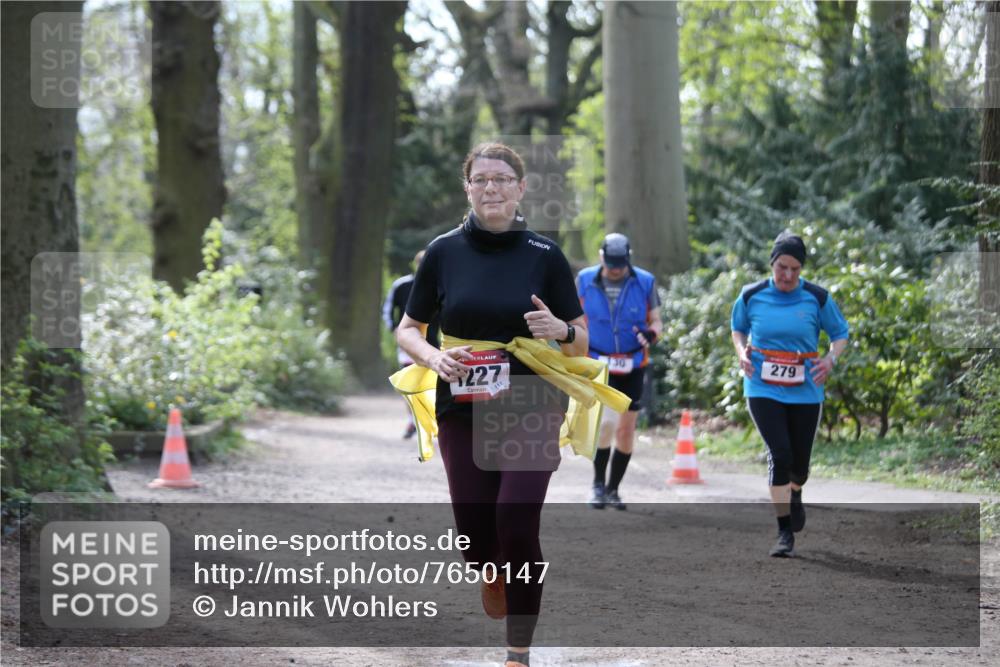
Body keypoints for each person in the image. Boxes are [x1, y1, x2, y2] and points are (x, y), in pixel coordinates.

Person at [392, 142, 629, 667]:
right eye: (481, 179)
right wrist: (433, 358)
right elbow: (409, 329)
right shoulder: (442, 252)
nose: (491, 187)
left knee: (517, 523)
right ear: (468, 188)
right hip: (463, 403)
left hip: (529, 400)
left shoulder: (545, 256)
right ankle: (490, 568)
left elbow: (581, 339)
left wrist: (562, 328)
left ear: (521, 189)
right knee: (476, 540)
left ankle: (517, 655)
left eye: (502, 179)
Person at [730, 231, 849, 557]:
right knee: (779, 455)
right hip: (762, 386)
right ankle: (784, 534)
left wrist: (830, 358)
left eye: (795, 269)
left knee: (800, 465)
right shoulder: (751, 295)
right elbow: (737, 327)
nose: (788, 275)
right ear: (772, 263)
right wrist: (741, 351)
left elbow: (840, 333)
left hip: (806, 389)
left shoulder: (816, 297)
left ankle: (796, 490)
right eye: (782, 267)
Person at [577, 233, 662, 511]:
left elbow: (657, 323)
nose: (616, 268)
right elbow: (574, 320)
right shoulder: (584, 280)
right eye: (612, 263)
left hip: (633, 364)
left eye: (621, 263)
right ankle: (597, 485)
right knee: (605, 425)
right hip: (599, 362)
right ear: (602, 256)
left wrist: (651, 334)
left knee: (626, 430)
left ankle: (614, 490)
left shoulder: (645, 282)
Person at [382, 250, 440, 438]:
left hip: (434, 344)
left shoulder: (441, 285)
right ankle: (412, 421)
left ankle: (432, 420)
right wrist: (395, 330)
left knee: (434, 384)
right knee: (409, 383)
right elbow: (388, 309)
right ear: (416, 264)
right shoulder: (402, 285)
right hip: (408, 345)